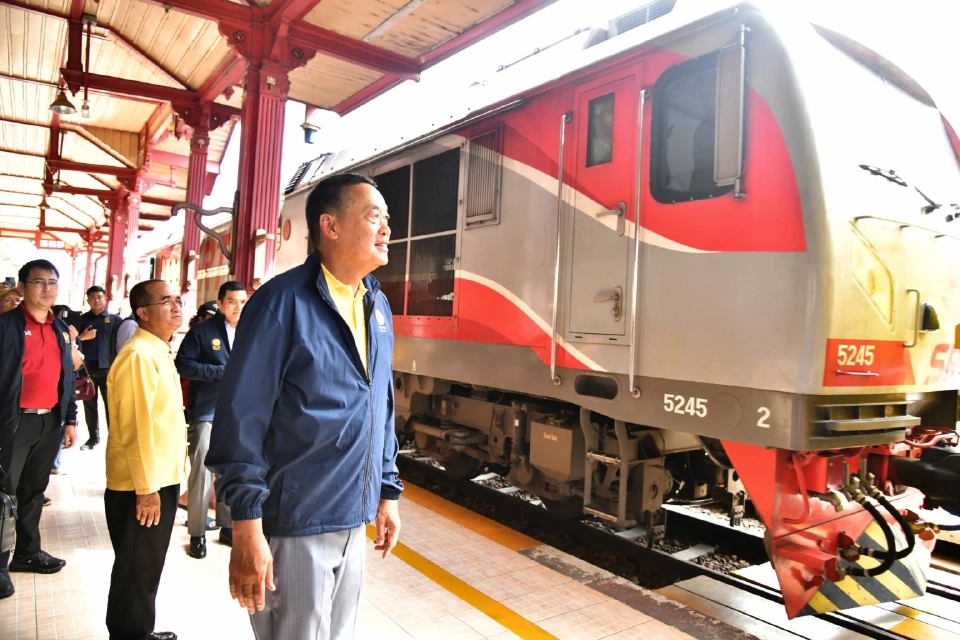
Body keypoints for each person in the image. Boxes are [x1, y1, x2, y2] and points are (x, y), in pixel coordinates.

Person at [207, 173, 403, 639]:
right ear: (330, 226)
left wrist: (387, 492)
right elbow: (241, 418)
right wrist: (246, 526)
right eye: (374, 216)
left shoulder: (376, 306)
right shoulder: (281, 303)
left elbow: (382, 403)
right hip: (295, 520)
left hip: (353, 516)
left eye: (387, 219)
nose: (387, 229)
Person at [104, 279, 186, 640]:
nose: (176, 305)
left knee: (145, 566)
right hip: (141, 487)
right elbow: (138, 429)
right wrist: (148, 490)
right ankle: (128, 634)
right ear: (143, 312)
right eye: (166, 300)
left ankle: (138, 631)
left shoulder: (158, 350)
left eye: (177, 299)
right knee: (135, 569)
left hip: (157, 481)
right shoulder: (139, 355)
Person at [0, 259, 78, 599]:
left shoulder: (61, 328)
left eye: (53, 282)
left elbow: (68, 377)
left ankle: (27, 552)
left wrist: (70, 419)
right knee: (4, 495)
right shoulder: (6, 326)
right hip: (14, 421)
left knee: (34, 491)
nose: (47, 289)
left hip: (49, 422)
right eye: (39, 282)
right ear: (22, 286)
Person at [175, 282, 247, 559]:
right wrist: (219, 372)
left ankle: (228, 527)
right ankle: (197, 533)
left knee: (231, 471)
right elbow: (184, 364)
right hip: (206, 411)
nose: (238, 307)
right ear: (220, 303)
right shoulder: (202, 332)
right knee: (201, 474)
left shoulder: (251, 330)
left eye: (242, 302)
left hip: (239, 414)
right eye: (232, 301)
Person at [74, 285, 122, 450]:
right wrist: (82, 338)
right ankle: (93, 439)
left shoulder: (115, 320)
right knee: (89, 405)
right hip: (87, 369)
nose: (96, 300)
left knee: (111, 406)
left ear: (105, 298)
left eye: (99, 297)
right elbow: (72, 343)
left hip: (108, 369)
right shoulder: (81, 320)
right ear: (88, 300)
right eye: (92, 297)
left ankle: (114, 439)